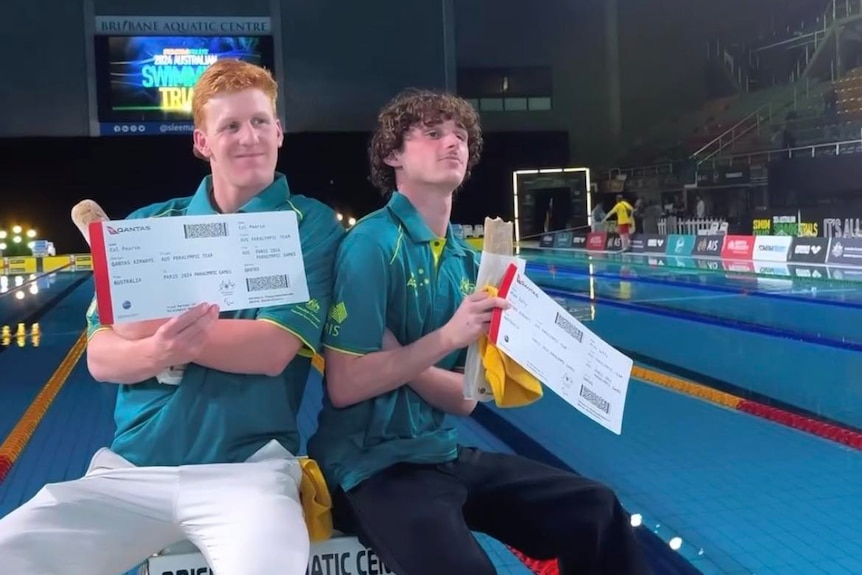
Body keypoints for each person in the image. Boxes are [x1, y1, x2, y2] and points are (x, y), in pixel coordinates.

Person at [0, 59, 344, 575]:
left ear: (278, 130)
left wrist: (149, 326)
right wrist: (157, 350)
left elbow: (271, 350)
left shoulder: (308, 224)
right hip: (129, 473)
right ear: (202, 142)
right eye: (229, 126)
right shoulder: (146, 225)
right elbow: (101, 358)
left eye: (258, 121)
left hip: (247, 474)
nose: (247, 137)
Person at [306, 88, 650, 575]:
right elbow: (345, 385)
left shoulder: (470, 263)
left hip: (440, 454)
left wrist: (405, 355)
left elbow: (465, 399)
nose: (453, 143)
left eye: (460, 135)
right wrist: (444, 339)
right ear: (392, 155)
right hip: (369, 467)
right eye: (432, 133)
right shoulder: (372, 244)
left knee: (596, 509)